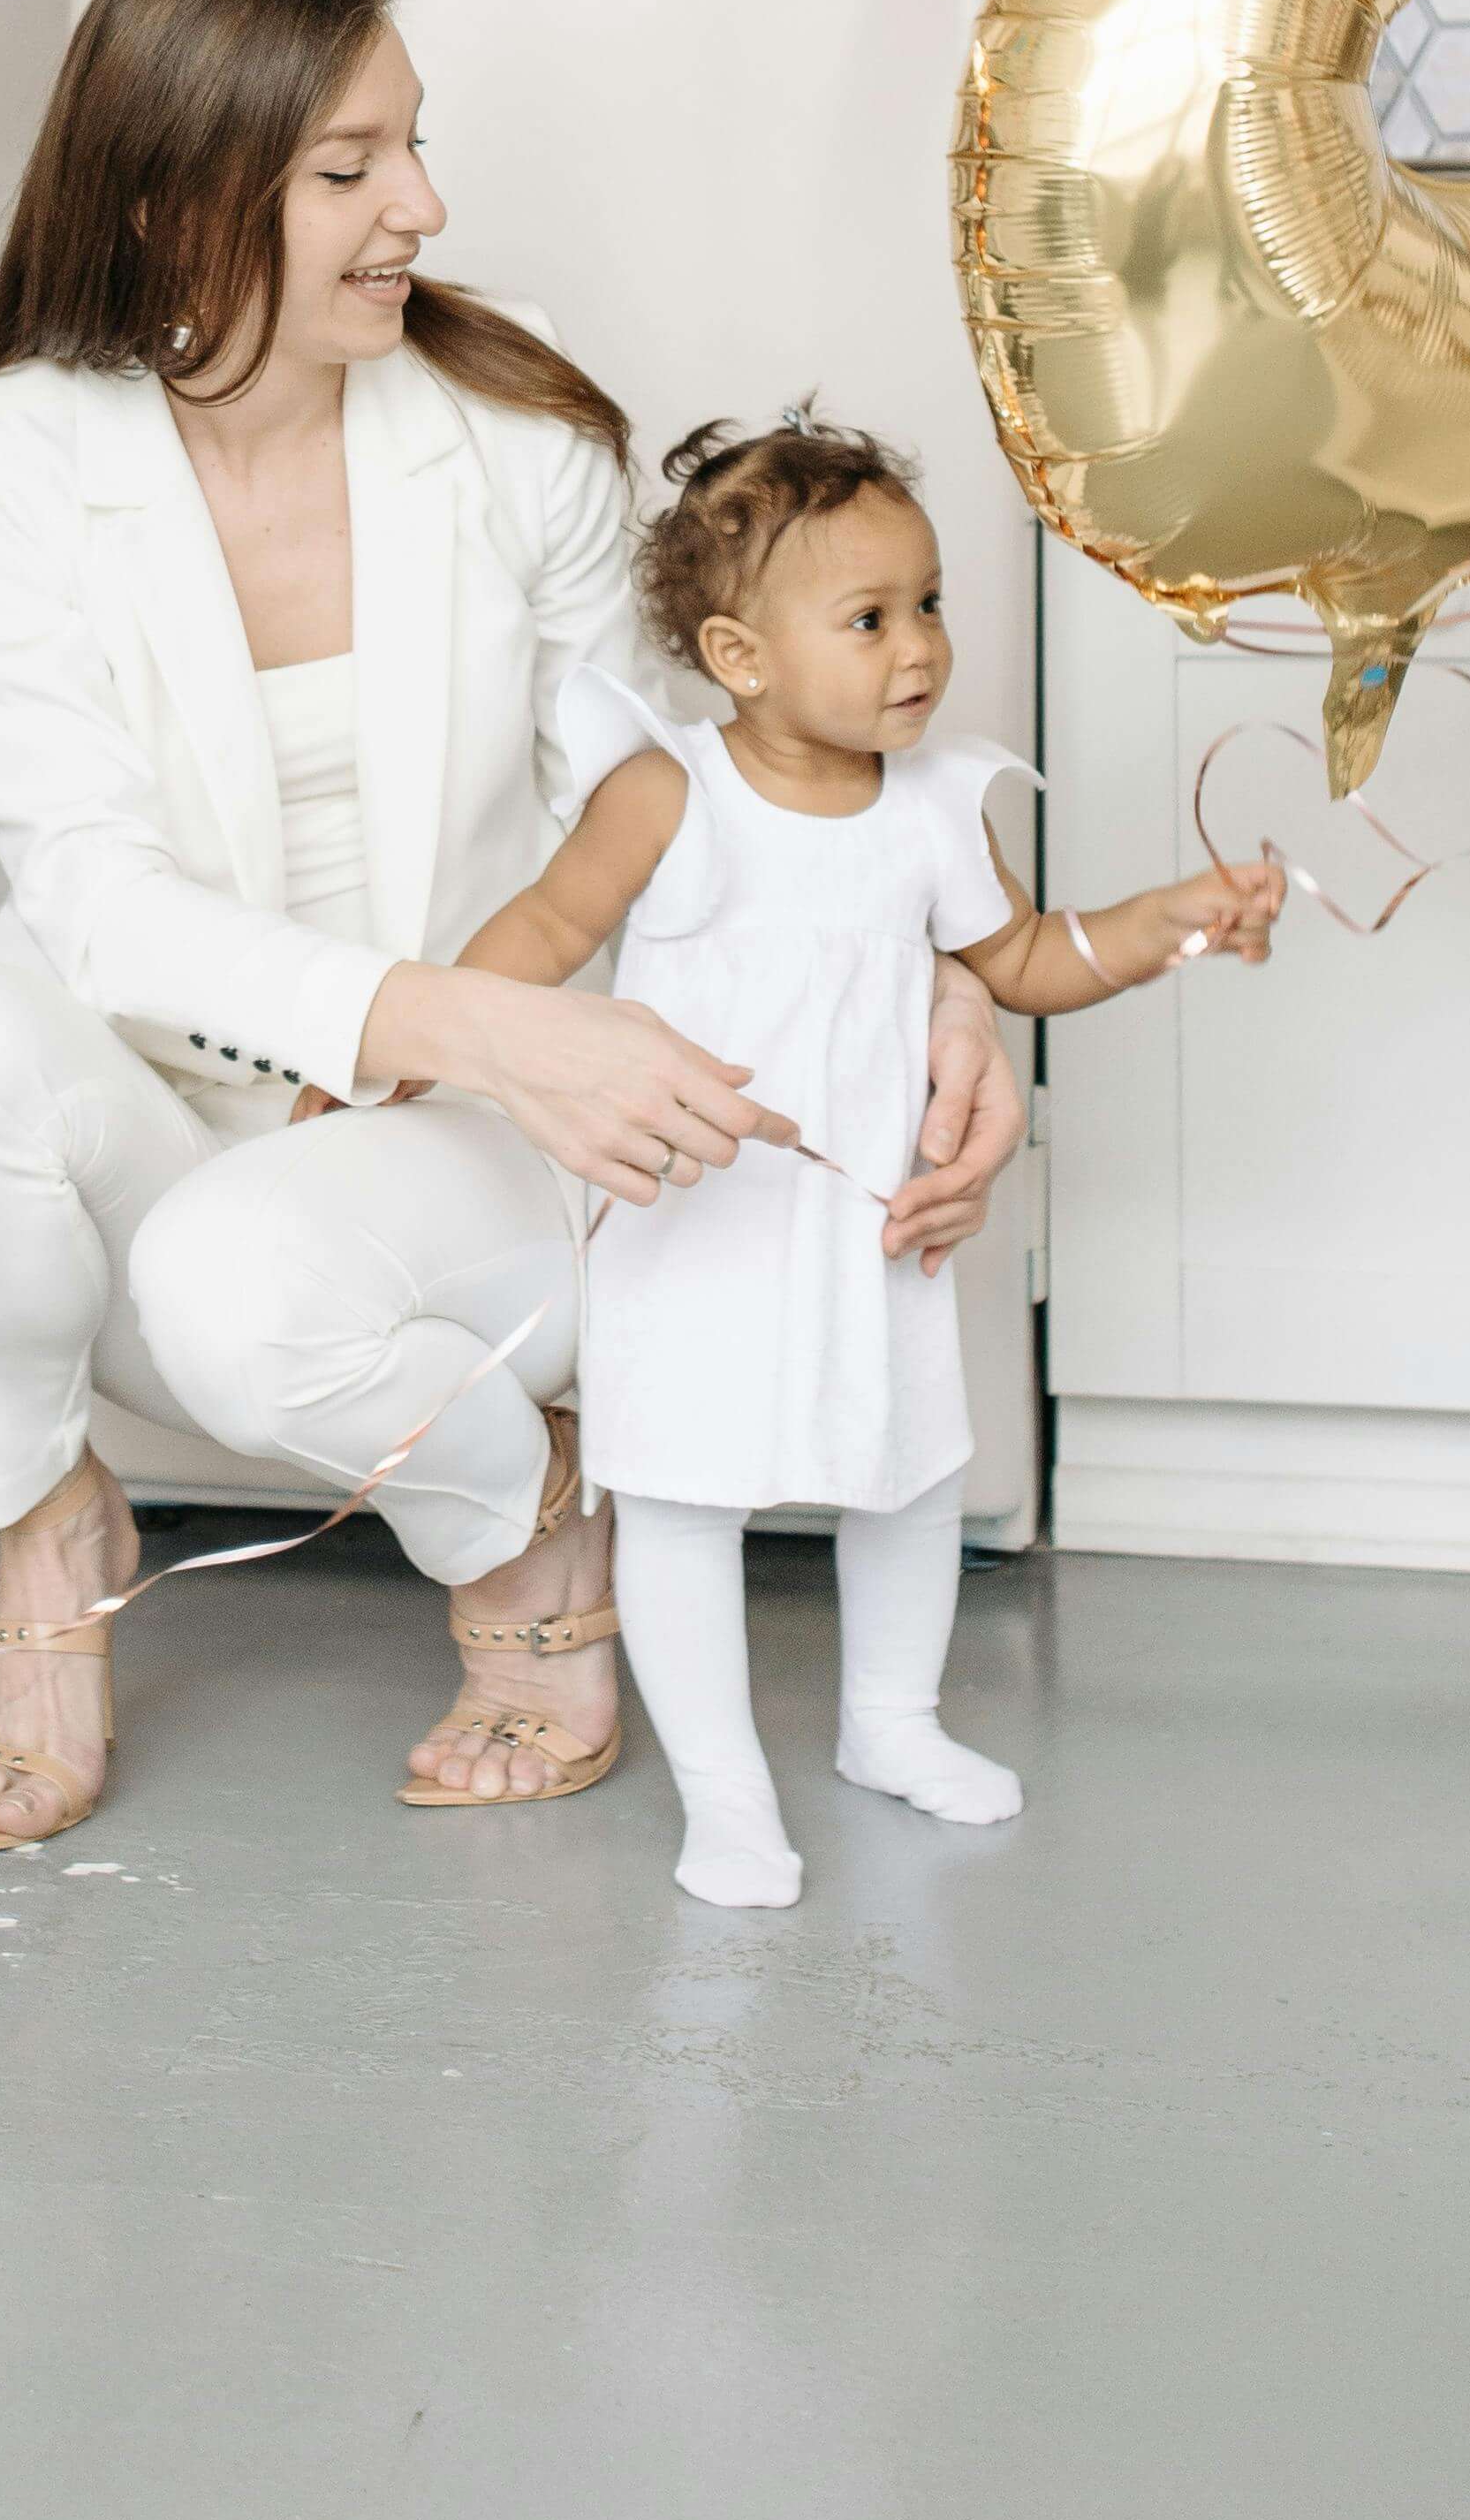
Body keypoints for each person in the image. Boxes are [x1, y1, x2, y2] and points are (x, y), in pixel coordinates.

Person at [0, 0, 1027, 1858]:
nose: (424, 205)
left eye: (414, 147)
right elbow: (97, 897)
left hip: (472, 1144)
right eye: (350, 168)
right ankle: (51, 1537)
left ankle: (527, 1523)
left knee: (239, 1287)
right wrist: (447, 1013)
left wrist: (956, 982)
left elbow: (703, 790)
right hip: (195, 1093)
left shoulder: (511, 444)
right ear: (169, 198)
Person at [458, 408, 1279, 1909]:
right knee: (687, 1499)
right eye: (867, 619)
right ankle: (723, 1795)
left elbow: (1023, 957)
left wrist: (1166, 919)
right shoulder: (668, 793)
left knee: (904, 1478)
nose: (917, 648)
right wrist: (399, 1047)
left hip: (865, 1218)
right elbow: (541, 936)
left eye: (929, 605)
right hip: (694, 1208)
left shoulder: (934, 805)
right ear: (740, 655)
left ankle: (888, 1726)